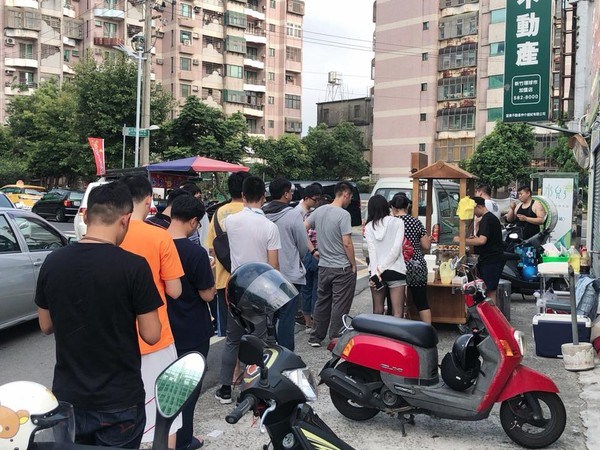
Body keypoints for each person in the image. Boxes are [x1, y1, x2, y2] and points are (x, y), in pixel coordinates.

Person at [35, 182, 163, 448]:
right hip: (119, 400)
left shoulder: (53, 261)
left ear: (85, 216)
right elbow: (152, 335)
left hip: (68, 398)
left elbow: (46, 325)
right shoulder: (134, 266)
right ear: (125, 220)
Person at [119, 175, 184, 448]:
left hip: (117, 338)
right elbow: (175, 290)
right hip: (156, 336)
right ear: (148, 201)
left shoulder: (109, 236)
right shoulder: (159, 236)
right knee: (166, 411)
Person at [215, 175, 281, 404]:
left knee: (232, 339)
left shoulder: (231, 222)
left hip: (235, 287)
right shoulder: (270, 227)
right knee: (258, 340)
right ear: (264, 197)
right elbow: (274, 266)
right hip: (260, 290)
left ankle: (225, 389)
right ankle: (252, 388)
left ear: (243, 196)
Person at [167, 195, 216, 450]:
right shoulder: (195, 253)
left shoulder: (155, 244)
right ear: (194, 221)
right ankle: (184, 440)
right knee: (187, 387)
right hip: (191, 328)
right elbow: (207, 294)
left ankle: (165, 436)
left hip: (163, 329)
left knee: (166, 387)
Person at [263, 178, 315, 351]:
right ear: (286, 194)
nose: (292, 194)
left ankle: (271, 350)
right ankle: (285, 353)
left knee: (270, 315)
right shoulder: (293, 215)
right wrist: (294, 256)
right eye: (290, 192)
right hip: (290, 273)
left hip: (267, 273)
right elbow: (302, 244)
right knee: (287, 316)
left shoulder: (263, 213)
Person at [305, 181, 357, 347]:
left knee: (322, 301)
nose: (350, 200)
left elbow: (302, 228)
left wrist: (313, 250)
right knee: (340, 303)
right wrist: (353, 264)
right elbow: (347, 242)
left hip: (324, 265)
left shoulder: (320, 210)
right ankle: (336, 336)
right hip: (341, 267)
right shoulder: (343, 215)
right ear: (346, 194)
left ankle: (315, 337)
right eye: (350, 197)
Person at [205, 171, 251, 337]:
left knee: (230, 335)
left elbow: (212, 249)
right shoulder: (253, 212)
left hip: (224, 281)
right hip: (251, 281)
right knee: (252, 331)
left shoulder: (218, 213)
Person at [390, 194, 432, 323]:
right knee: (421, 301)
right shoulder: (415, 222)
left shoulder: (390, 223)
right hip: (416, 265)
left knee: (396, 305)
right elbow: (426, 245)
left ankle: (396, 331)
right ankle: (427, 331)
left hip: (395, 266)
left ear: (393, 207)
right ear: (408, 206)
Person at [364, 195, 407, 317]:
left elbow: (372, 253)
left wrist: (375, 273)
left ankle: (377, 330)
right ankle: (394, 331)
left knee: (377, 311)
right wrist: (382, 268)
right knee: (397, 312)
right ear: (386, 206)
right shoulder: (398, 222)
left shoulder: (368, 227)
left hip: (377, 273)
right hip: (396, 270)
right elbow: (396, 250)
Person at [455, 197, 504, 301]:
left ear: (478, 206)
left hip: (491, 260)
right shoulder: (490, 218)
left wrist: (462, 240)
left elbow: (482, 240)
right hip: (492, 258)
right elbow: (485, 238)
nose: (473, 213)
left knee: (490, 291)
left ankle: (491, 311)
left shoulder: (486, 219)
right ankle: (489, 310)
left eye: (473, 210)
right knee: (488, 290)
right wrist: (473, 239)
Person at [296, 184, 322, 331]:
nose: (316, 202)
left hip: (307, 254)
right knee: (315, 289)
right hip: (311, 253)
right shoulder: (299, 212)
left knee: (307, 289)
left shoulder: (309, 212)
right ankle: (312, 321)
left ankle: (309, 322)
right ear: (306, 198)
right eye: (315, 199)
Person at [180, 182, 210, 249]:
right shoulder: (180, 215)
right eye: (197, 198)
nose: (199, 201)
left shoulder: (202, 214)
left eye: (200, 198)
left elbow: (205, 235)